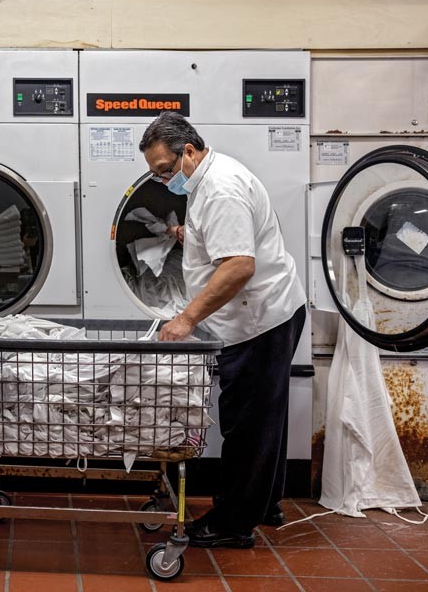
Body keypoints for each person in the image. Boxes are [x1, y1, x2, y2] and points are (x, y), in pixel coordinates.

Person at [140, 112, 307, 549]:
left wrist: (187, 318)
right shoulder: (210, 177)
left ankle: (232, 523)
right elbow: (226, 241)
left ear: (189, 151)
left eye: (164, 170)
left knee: (246, 423)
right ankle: (263, 503)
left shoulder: (219, 188)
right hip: (272, 313)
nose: (162, 181)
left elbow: (238, 266)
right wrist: (187, 234)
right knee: (265, 417)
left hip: (259, 321)